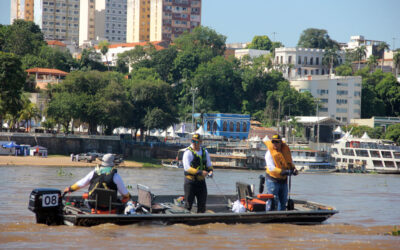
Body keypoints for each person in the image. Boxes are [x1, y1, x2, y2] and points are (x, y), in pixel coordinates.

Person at [63, 153, 131, 208]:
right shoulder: (116, 176)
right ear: (112, 163)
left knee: (86, 197)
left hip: (92, 204)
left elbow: (81, 184)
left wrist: (70, 189)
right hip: (110, 205)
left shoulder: (93, 173)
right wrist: (128, 196)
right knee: (126, 199)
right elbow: (124, 193)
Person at [264, 134, 298, 211]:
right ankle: (270, 216)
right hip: (272, 180)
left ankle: (281, 217)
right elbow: (270, 167)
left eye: (277, 142)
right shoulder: (269, 153)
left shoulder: (285, 151)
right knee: (273, 201)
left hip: (283, 181)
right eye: (273, 142)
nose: (275, 144)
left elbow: (290, 162)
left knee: (283, 201)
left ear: (281, 143)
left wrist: (294, 169)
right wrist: (282, 171)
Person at [182, 133, 213, 213]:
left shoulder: (205, 152)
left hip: (201, 183)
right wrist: (200, 172)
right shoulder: (188, 152)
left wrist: (210, 172)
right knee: (188, 205)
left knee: (202, 205)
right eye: (193, 141)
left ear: (200, 142)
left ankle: (201, 222)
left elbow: (209, 165)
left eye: (196, 142)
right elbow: (187, 168)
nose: (194, 143)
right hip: (190, 182)